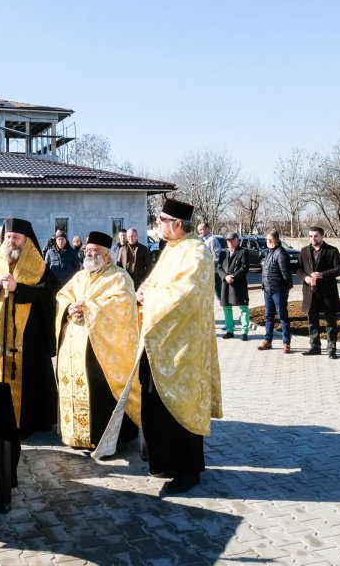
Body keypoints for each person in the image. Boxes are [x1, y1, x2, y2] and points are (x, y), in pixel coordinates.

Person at [135, 197, 223, 496]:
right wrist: (145, 289)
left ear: (176, 224)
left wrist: (151, 297)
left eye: (160, 219)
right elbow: (158, 285)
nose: (157, 224)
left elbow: (185, 293)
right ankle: (166, 462)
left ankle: (188, 470)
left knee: (180, 407)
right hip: (160, 343)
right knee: (157, 405)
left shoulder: (196, 251)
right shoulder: (171, 250)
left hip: (183, 347)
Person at [0, 217, 58, 437]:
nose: (11, 241)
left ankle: (23, 423)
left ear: (26, 240)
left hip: (28, 338)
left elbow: (50, 290)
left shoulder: (38, 263)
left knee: (28, 380)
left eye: (16, 237)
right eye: (8, 237)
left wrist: (19, 289)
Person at [54, 231, 141, 450]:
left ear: (107, 255)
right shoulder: (81, 276)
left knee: (99, 393)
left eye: (95, 251)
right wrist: (68, 308)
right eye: (88, 250)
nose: (90, 254)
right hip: (73, 346)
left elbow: (122, 306)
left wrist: (88, 308)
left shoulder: (119, 277)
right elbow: (63, 295)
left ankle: (102, 437)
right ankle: (74, 435)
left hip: (101, 351)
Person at [297, 226, 340, 359]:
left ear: (322, 236)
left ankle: (331, 349)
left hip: (327, 292)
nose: (313, 239)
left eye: (316, 236)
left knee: (330, 322)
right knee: (312, 320)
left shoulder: (332, 251)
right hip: (310, 292)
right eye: (310, 236)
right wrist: (305, 277)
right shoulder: (304, 251)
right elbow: (299, 269)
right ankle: (315, 346)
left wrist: (322, 274)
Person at [258, 230, 295, 353]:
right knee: (269, 316)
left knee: (282, 316)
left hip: (278, 291)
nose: (266, 242)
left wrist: (287, 287)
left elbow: (286, 273)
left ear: (272, 240)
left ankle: (286, 343)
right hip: (267, 290)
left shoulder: (280, 253)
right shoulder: (270, 252)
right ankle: (268, 340)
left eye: (267, 239)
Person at [215, 232, 250, 340]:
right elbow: (219, 267)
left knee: (243, 307)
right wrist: (225, 277)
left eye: (231, 240)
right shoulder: (223, 253)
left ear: (237, 240)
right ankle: (230, 331)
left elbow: (244, 268)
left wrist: (233, 276)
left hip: (239, 284)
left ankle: (244, 331)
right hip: (226, 284)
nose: (229, 242)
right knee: (226, 307)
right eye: (228, 240)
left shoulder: (243, 252)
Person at [197, 221, 223, 300]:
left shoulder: (212, 240)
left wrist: (205, 264)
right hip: (205, 272)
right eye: (199, 230)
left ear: (208, 229)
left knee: (220, 295)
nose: (200, 232)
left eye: (201, 229)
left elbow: (217, 257)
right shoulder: (203, 240)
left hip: (214, 273)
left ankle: (227, 312)